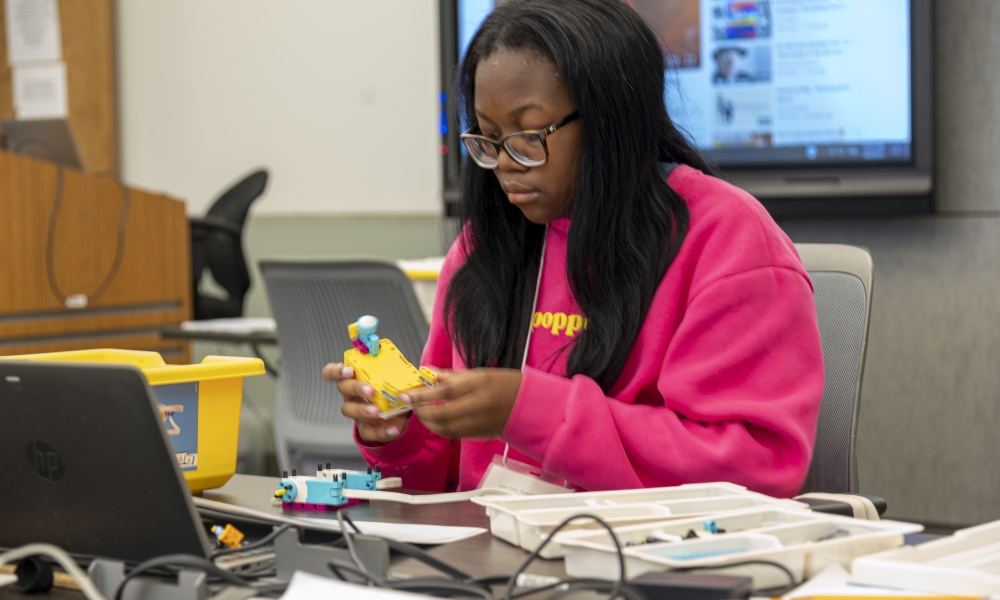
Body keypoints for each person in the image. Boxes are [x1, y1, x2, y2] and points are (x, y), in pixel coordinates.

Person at [324, 0, 823, 498]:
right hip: (492, 561)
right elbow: (435, 486)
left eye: (527, 136)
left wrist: (530, 410)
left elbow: (755, 470)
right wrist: (395, 427)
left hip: (648, 563)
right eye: (489, 139)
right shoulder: (485, 246)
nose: (504, 165)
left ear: (609, 120)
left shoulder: (725, 239)